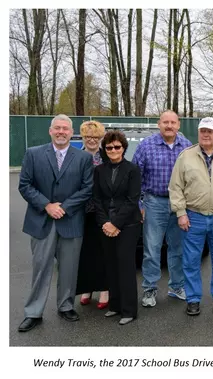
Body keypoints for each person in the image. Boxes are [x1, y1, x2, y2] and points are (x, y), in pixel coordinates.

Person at [17, 114, 93, 332]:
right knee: (41, 268)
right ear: (50, 131)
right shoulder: (33, 154)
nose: (61, 132)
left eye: (65, 128)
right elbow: (25, 185)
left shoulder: (83, 158)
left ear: (72, 132)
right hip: (41, 220)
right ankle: (33, 312)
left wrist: (65, 207)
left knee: (69, 268)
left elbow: (87, 189)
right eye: (57, 128)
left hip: (71, 220)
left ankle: (66, 305)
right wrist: (47, 205)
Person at [169, 117, 213, 316]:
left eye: (210, 131)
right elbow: (176, 187)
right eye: (202, 131)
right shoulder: (185, 156)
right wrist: (180, 213)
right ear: (198, 133)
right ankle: (193, 298)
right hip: (193, 215)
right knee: (191, 260)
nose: (206, 135)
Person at [132, 110, 192, 308]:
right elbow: (135, 178)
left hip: (180, 205)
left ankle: (176, 287)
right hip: (154, 202)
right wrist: (139, 204)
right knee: (152, 249)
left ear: (178, 125)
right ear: (159, 124)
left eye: (173, 122)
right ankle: (150, 289)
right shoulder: (146, 146)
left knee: (178, 248)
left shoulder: (186, 147)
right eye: (165, 122)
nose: (169, 126)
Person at [92, 131, 142, 325]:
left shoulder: (132, 170)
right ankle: (115, 305)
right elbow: (97, 199)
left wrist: (115, 223)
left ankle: (129, 310)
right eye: (109, 147)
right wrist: (105, 222)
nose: (113, 150)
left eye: (117, 147)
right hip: (106, 224)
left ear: (123, 148)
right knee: (110, 265)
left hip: (127, 225)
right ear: (105, 149)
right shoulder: (99, 171)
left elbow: (132, 200)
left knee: (125, 265)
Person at [75, 121, 110, 309]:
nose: (91, 140)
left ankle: (105, 289)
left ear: (101, 138)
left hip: (103, 211)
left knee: (103, 250)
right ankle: (87, 289)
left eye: (95, 137)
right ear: (82, 137)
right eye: (88, 136)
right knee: (85, 252)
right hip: (81, 211)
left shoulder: (107, 156)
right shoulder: (75, 156)